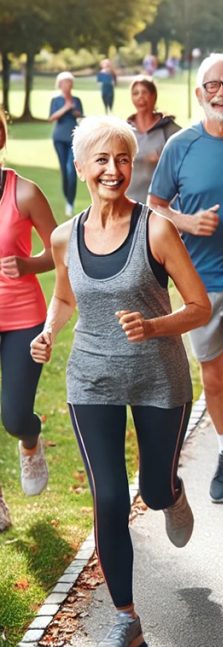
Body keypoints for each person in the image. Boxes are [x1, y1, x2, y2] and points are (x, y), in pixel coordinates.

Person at [30, 116, 211, 647]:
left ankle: (171, 491)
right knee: (109, 498)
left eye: (124, 159)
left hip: (159, 377)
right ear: (81, 166)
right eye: (103, 159)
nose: (114, 169)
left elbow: (199, 307)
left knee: (151, 492)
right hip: (92, 378)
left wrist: (154, 326)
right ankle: (126, 617)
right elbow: (65, 297)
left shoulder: (155, 228)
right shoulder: (66, 237)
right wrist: (47, 332)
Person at [148, 54, 223, 521]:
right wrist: (184, 221)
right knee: (215, 380)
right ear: (200, 94)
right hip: (196, 285)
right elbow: (155, 204)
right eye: (213, 85)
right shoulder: (181, 145)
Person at [0, 110, 58, 531]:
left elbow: (58, 250)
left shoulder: (24, 192)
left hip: (22, 317)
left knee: (15, 416)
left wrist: (27, 264)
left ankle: (30, 440)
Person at [125, 76, 181, 202]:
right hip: (130, 200)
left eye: (144, 92)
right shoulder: (125, 130)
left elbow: (183, 162)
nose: (140, 97)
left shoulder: (169, 130)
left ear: (153, 95)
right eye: (136, 93)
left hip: (161, 202)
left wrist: (163, 160)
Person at [49, 72, 84, 216]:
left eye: (69, 82)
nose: (67, 85)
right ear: (60, 84)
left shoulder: (77, 99)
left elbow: (80, 115)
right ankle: (67, 199)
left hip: (73, 138)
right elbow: (52, 117)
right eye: (64, 82)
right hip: (59, 139)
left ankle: (70, 202)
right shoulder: (56, 100)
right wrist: (66, 107)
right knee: (64, 171)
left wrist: (74, 110)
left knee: (72, 170)